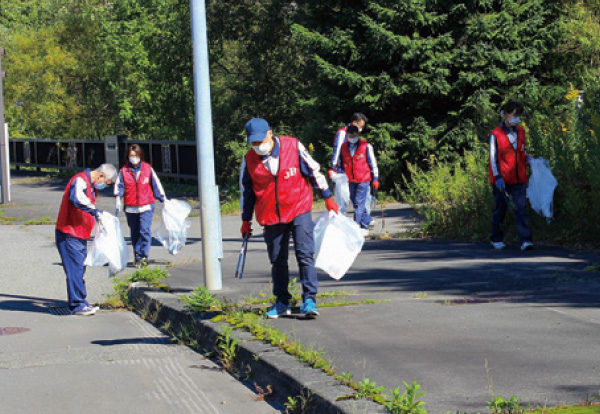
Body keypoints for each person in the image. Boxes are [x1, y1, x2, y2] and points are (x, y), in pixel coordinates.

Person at [239, 118, 339, 319]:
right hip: (270, 215)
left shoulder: (292, 146)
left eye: (260, 141)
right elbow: (247, 192)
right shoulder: (249, 160)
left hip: (298, 207)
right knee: (277, 260)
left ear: (270, 133)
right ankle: (282, 302)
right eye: (254, 143)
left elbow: (313, 171)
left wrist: (328, 197)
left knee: (304, 254)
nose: (258, 146)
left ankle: (309, 300)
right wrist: (245, 220)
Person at [55, 164, 118, 316]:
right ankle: (77, 304)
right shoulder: (80, 180)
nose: (104, 186)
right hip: (69, 232)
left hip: (79, 233)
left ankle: (81, 301)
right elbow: (77, 199)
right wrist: (96, 212)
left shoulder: (91, 186)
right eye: (107, 182)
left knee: (80, 268)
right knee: (75, 269)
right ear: (101, 175)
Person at [488, 101, 534, 251]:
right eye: (513, 115)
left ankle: (525, 240)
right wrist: (497, 177)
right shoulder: (495, 134)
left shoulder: (520, 132)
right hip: (502, 179)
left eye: (518, 115)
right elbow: (493, 158)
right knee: (500, 209)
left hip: (519, 177)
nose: (516, 118)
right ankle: (496, 237)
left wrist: (528, 158)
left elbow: (520, 150)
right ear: (505, 114)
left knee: (521, 208)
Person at [114, 144, 166, 266]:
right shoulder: (124, 171)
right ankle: (137, 254)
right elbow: (119, 186)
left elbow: (156, 185)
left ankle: (144, 255)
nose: (134, 158)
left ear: (140, 155)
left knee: (145, 231)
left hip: (146, 206)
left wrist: (163, 199)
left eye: (136, 155)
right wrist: (117, 198)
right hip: (131, 207)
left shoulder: (148, 168)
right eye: (131, 156)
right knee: (135, 232)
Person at [334, 125, 379, 234]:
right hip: (351, 180)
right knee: (355, 203)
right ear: (347, 135)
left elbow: (372, 163)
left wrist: (375, 178)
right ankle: (366, 221)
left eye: (355, 135)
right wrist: (338, 174)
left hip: (363, 179)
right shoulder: (343, 147)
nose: (352, 137)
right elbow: (340, 163)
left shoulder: (365, 146)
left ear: (358, 134)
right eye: (350, 135)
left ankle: (357, 227)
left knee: (359, 203)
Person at [329, 112, 368, 178]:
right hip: (341, 171)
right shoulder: (342, 133)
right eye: (360, 126)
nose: (361, 129)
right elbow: (337, 149)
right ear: (354, 123)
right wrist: (333, 167)